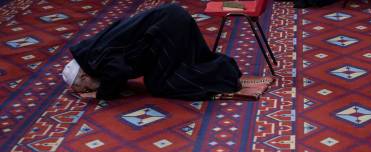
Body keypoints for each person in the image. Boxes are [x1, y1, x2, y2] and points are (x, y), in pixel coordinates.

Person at [62, 4, 242, 100]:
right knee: (189, 63)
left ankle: (223, 71)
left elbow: (118, 71)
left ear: (85, 76)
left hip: (169, 28)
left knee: (163, 84)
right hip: (171, 18)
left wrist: (103, 94)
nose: (90, 89)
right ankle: (223, 68)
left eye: (86, 87)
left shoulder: (95, 60)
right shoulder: (91, 50)